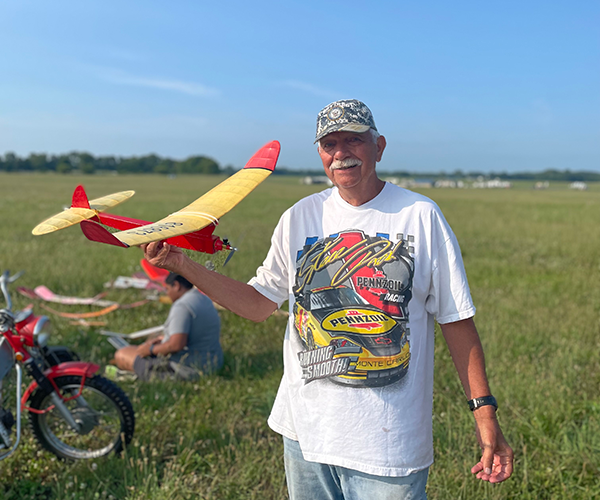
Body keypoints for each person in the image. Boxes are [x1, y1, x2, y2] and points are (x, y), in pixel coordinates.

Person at [142, 99, 513, 498]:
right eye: (329, 144)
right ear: (320, 153)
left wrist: (484, 413)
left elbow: (456, 320)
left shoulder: (420, 216)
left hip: (387, 447)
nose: (341, 153)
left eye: (354, 140)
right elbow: (257, 304)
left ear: (379, 146)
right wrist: (182, 264)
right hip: (305, 437)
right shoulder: (300, 217)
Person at [114, 272, 223, 381]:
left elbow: (176, 345)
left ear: (176, 285)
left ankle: (140, 375)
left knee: (122, 354)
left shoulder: (182, 306)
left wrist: (150, 350)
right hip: (213, 364)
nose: (167, 293)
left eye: (167, 289)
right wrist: (162, 339)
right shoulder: (203, 299)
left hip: (186, 369)